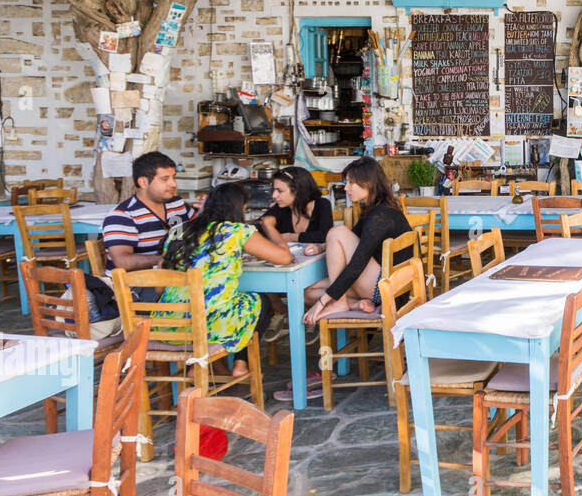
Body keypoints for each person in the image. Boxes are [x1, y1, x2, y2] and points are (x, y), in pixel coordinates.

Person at [160, 183, 293, 379]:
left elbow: (159, 288)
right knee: (261, 302)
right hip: (212, 326)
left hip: (170, 324)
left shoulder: (178, 231)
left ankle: (206, 365)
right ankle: (241, 364)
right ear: (240, 207)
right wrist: (270, 227)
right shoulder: (236, 231)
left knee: (228, 303)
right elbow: (284, 258)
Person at [302, 157, 413, 325]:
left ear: (368, 183)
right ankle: (352, 304)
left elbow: (357, 264)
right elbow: (353, 236)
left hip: (386, 288)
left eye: (351, 183)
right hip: (384, 283)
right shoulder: (376, 208)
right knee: (308, 292)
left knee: (337, 231)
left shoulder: (380, 216)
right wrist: (321, 247)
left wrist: (323, 302)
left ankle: (339, 303)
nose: (346, 188)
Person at [255, 167, 333, 343]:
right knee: (261, 278)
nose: (274, 195)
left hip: (317, 267)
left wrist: (292, 236)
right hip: (288, 267)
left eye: (279, 191)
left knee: (306, 284)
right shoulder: (280, 208)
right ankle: (280, 310)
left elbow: (325, 235)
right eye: (274, 190)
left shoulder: (321, 205)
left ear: (297, 190)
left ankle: (311, 312)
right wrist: (268, 222)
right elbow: (261, 227)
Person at [102, 151, 196, 272]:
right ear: (143, 182)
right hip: (134, 281)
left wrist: (207, 211)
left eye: (173, 177)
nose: (173, 184)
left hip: (171, 277)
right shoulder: (122, 216)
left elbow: (201, 230)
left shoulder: (177, 205)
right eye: (165, 179)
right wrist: (165, 259)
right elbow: (122, 261)